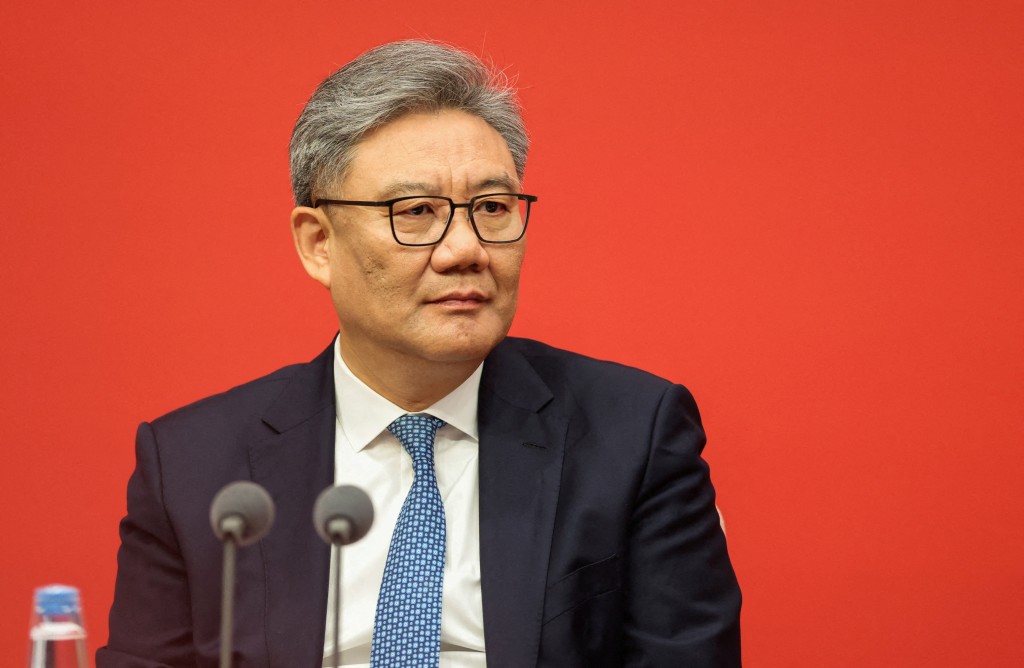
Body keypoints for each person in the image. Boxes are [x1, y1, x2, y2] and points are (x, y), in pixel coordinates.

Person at [97, 40, 741, 668]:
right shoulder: (193, 465)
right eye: (416, 211)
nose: (466, 249)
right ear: (319, 242)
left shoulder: (633, 434)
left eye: (491, 207)